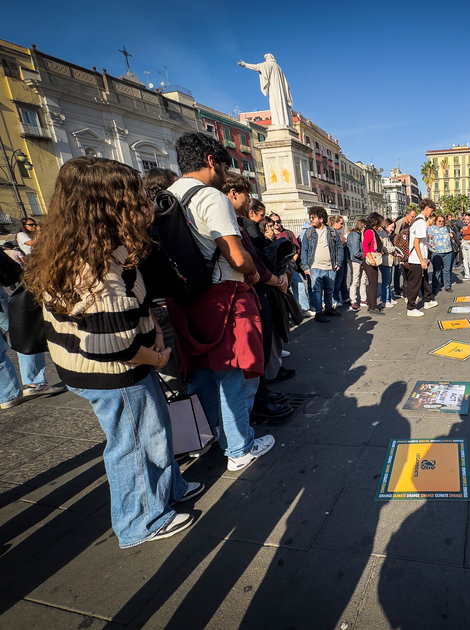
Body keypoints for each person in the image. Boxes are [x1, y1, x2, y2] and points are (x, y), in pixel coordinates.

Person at [24, 156, 203, 547]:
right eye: (136, 199)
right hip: (112, 373)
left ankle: (167, 489)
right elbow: (111, 347)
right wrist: (157, 357)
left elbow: (129, 311)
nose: (145, 206)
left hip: (114, 363)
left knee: (155, 429)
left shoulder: (90, 247)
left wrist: (152, 325)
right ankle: (140, 520)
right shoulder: (95, 265)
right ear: (109, 207)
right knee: (134, 442)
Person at [165, 132, 275, 473]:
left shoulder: (166, 196)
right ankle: (239, 447)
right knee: (237, 371)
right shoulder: (211, 198)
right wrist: (254, 276)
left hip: (185, 298)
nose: (227, 175)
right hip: (224, 296)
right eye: (226, 166)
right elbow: (236, 255)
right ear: (212, 161)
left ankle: (202, 435)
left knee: (200, 373)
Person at [223, 176, 295, 419]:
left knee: (260, 346)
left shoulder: (241, 223)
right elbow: (249, 260)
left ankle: (261, 393)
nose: (249, 201)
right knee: (254, 350)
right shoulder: (235, 223)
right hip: (250, 290)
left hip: (257, 287)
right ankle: (258, 402)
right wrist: (273, 279)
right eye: (246, 195)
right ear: (233, 193)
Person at [300, 206, 344, 323]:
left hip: (330, 266)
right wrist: (305, 266)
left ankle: (328, 309)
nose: (310, 220)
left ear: (321, 219)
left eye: (312, 218)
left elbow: (339, 247)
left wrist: (339, 262)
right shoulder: (309, 232)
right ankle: (319, 313)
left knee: (329, 290)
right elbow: (303, 250)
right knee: (317, 290)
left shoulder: (332, 232)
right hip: (315, 267)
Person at [405, 198, 438, 317]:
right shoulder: (420, 223)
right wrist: (421, 260)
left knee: (424, 280)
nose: (431, 214)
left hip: (418, 258)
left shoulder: (418, 221)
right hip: (416, 259)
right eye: (431, 211)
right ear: (427, 208)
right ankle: (411, 307)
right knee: (415, 283)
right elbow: (416, 243)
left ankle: (427, 300)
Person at [361, 212, 384, 316]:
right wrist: (371, 259)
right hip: (370, 260)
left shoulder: (370, 230)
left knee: (373, 283)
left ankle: (372, 305)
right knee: (373, 284)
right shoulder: (370, 231)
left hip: (370, 259)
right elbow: (365, 246)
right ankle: (372, 307)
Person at [428, 214, 454, 293]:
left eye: (443, 221)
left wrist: (452, 235)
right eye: (439, 221)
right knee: (436, 270)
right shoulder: (431, 229)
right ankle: (435, 287)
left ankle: (447, 286)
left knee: (447, 270)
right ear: (436, 221)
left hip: (448, 251)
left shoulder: (447, 228)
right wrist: (430, 243)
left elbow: (453, 235)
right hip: (436, 252)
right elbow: (426, 238)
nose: (441, 223)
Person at [328, 215, 351, 307]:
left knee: (342, 278)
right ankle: (335, 298)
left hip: (342, 257)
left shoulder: (338, 232)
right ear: (335, 223)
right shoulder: (332, 233)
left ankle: (343, 295)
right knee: (337, 280)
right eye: (341, 223)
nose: (342, 225)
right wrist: (345, 241)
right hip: (337, 258)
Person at [346, 218, 366, 312]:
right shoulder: (355, 235)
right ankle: (353, 301)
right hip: (355, 260)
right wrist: (364, 255)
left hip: (357, 259)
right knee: (355, 280)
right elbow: (355, 252)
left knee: (362, 279)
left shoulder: (356, 234)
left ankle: (363, 298)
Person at [379, 218, 397, 307]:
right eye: (391, 227)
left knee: (388, 281)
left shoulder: (386, 235)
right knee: (386, 282)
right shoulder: (382, 235)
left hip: (388, 261)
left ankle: (389, 297)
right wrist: (393, 249)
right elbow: (383, 248)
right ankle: (385, 299)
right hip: (385, 262)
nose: (392, 229)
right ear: (386, 225)